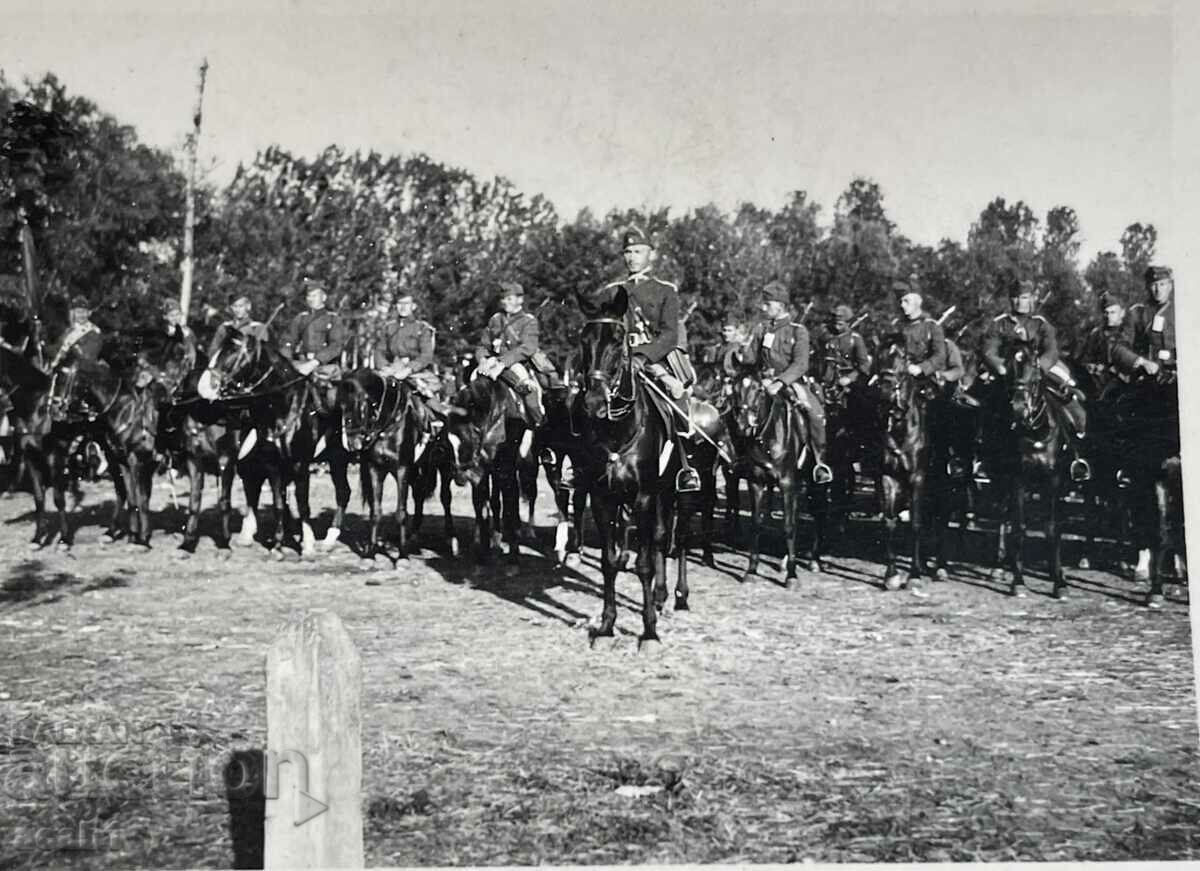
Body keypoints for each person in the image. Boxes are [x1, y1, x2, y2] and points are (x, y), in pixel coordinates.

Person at [598, 226, 701, 491]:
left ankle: (685, 468)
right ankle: (580, 466)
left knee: (678, 405)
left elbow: (668, 335)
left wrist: (643, 358)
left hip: (655, 361)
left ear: (650, 255)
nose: (632, 257)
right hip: (617, 362)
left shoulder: (664, 291)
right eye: (627, 252)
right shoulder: (611, 292)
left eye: (638, 251)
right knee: (588, 401)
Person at [981, 277, 1089, 482]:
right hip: (1009, 372)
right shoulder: (999, 324)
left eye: (1024, 297)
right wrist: (1001, 367)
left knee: (1067, 395)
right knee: (984, 403)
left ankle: (1077, 454)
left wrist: (1039, 366)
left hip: (1039, 371)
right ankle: (983, 458)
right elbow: (989, 350)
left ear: (1031, 299)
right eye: (1015, 298)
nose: (1019, 302)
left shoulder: (1041, 324)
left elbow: (1051, 349)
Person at [739, 281, 833, 484]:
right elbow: (751, 360)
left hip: (790, 383)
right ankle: (741, 458)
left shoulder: (798, 331)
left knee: (815, 413)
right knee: (740, 408)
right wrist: (744, 348)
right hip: (763, 383)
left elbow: (800, 364)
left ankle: (819, 462)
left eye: (767, 304)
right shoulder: (762, 329)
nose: (763, 308)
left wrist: (780, 383)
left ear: (779, 305)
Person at [376, 289, 448, 440]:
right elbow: (380, 350)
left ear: (413, 306)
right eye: (399, 303)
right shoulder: (388, 327)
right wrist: (384, 367)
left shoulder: (422, 328)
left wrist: (408, 369)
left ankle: (434, 427)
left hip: (415, 372)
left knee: (425, 397)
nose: (402, 307)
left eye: (406, 304)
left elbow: (426, 355)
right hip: (391, 370)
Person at [475, 281, 546, 430]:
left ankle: (539, 427)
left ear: (520, 300)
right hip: (491, 363)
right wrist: (482, 360)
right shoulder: (495, 319)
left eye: (509, 298)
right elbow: (483, 345)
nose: (504, 302)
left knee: (530, 393)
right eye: (503, 299)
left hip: (517, 364)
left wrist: (502, 363)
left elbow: (528, 347)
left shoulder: (528, 321)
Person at [279, 282, 347, 413]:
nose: (311, 299)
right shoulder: (300, 318)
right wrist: (285, 361)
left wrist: (315, 362)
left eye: (315, 295)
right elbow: (288, 341)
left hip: (324, 367)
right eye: (308, 296)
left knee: (331, 402)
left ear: (324, 297)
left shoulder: (333, 319)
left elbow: (336, 346)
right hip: (299, 365)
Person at [818, 304, 871, 402]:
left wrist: (849, 378)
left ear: (848, 323)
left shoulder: (855, 339)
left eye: (840, 324)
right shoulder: (825, 337)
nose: (836, 327)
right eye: (835, 323)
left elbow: (864, 365)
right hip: (825, 383)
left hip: (847, 385)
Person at [207, 295, 269, 362]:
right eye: (234, 306)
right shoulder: (225, 327)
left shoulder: (257, 328)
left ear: (248, 307)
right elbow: (213, 350)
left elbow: (261, 356)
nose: (237, 310)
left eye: (240, 306)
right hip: (220, 365)